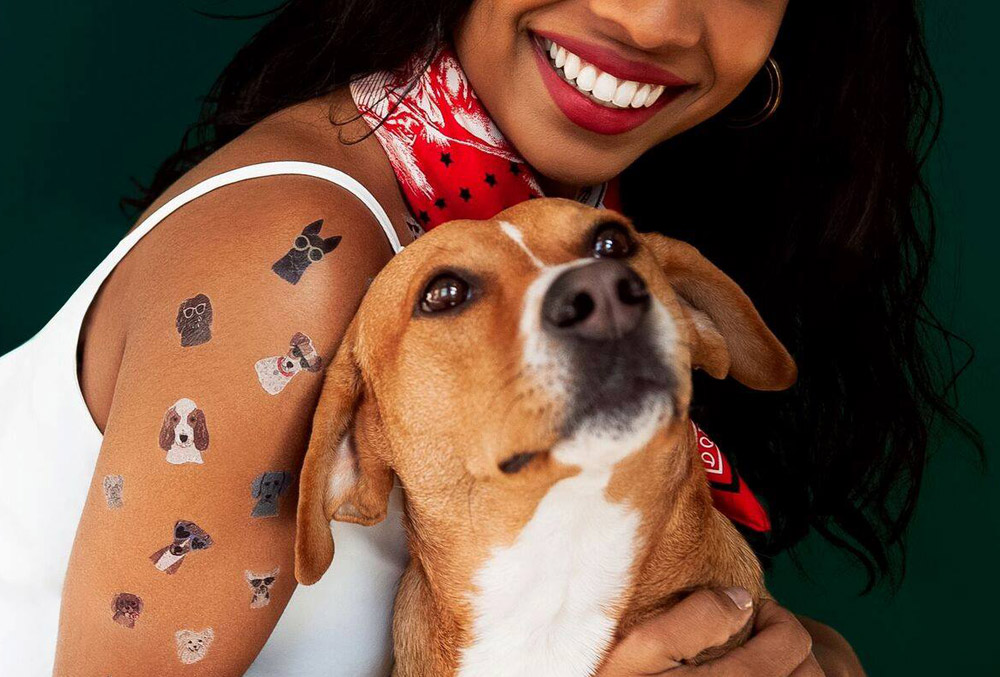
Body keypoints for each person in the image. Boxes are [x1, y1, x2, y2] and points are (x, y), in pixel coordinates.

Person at [1, 0, 970, 674]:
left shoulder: (580, 223)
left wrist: (811, 656)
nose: (654, 20)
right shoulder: (294, 266)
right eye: (453, 294)